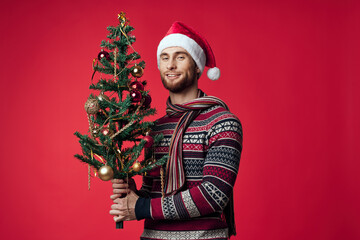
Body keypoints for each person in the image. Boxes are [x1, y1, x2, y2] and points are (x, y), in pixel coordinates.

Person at [109, 21, 243, 240]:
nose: (170, 65)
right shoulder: (156, 128)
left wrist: (141, 207)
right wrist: (132, 194)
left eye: (180, 57)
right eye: (165, 57)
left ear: (197, 66)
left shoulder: (223, 123)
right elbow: (154, 192)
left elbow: (213, 195)